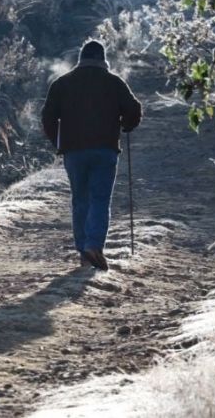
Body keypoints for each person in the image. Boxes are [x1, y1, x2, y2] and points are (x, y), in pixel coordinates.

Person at [41, 40, 142, 271]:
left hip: (74, 151)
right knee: (99, 199)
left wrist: (58, 142)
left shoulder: (62, 83)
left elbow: (47, 117)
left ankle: (84, 252)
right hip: (105, 149)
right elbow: (134, 110)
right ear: (103, 60)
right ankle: (93, 245)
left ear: (81, 59)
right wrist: (126, 124)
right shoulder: (114, 82)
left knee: (80, 199)